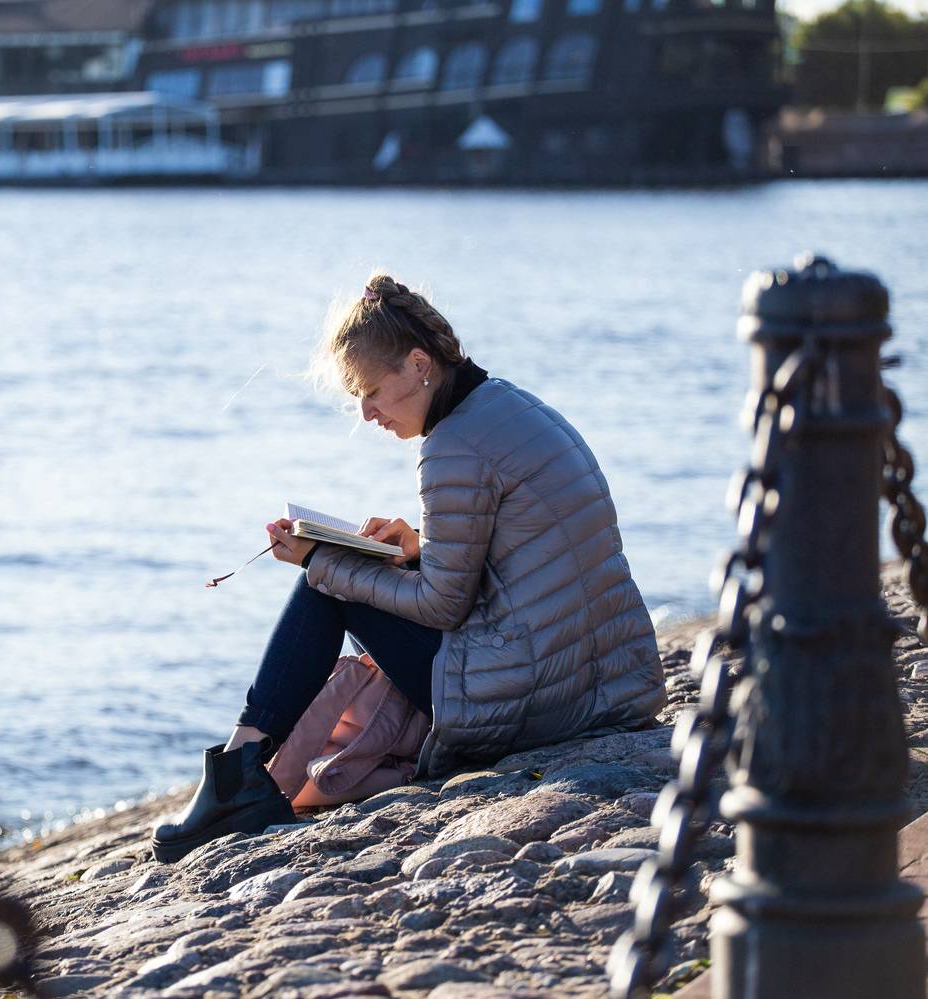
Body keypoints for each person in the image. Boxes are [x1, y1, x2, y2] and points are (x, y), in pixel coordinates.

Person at [150, 272, 666, 864]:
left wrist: (320, 560)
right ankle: (238, 774)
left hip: (532, 697)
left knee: (325, 587)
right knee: (336, 572)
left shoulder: (452, 446)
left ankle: (237, 774)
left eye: (370, 391)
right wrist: (419, 547)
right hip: (600, 679)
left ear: (419, 364)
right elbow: (523, 561)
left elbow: (443, 605)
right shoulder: (513, 407)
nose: (366, 413)